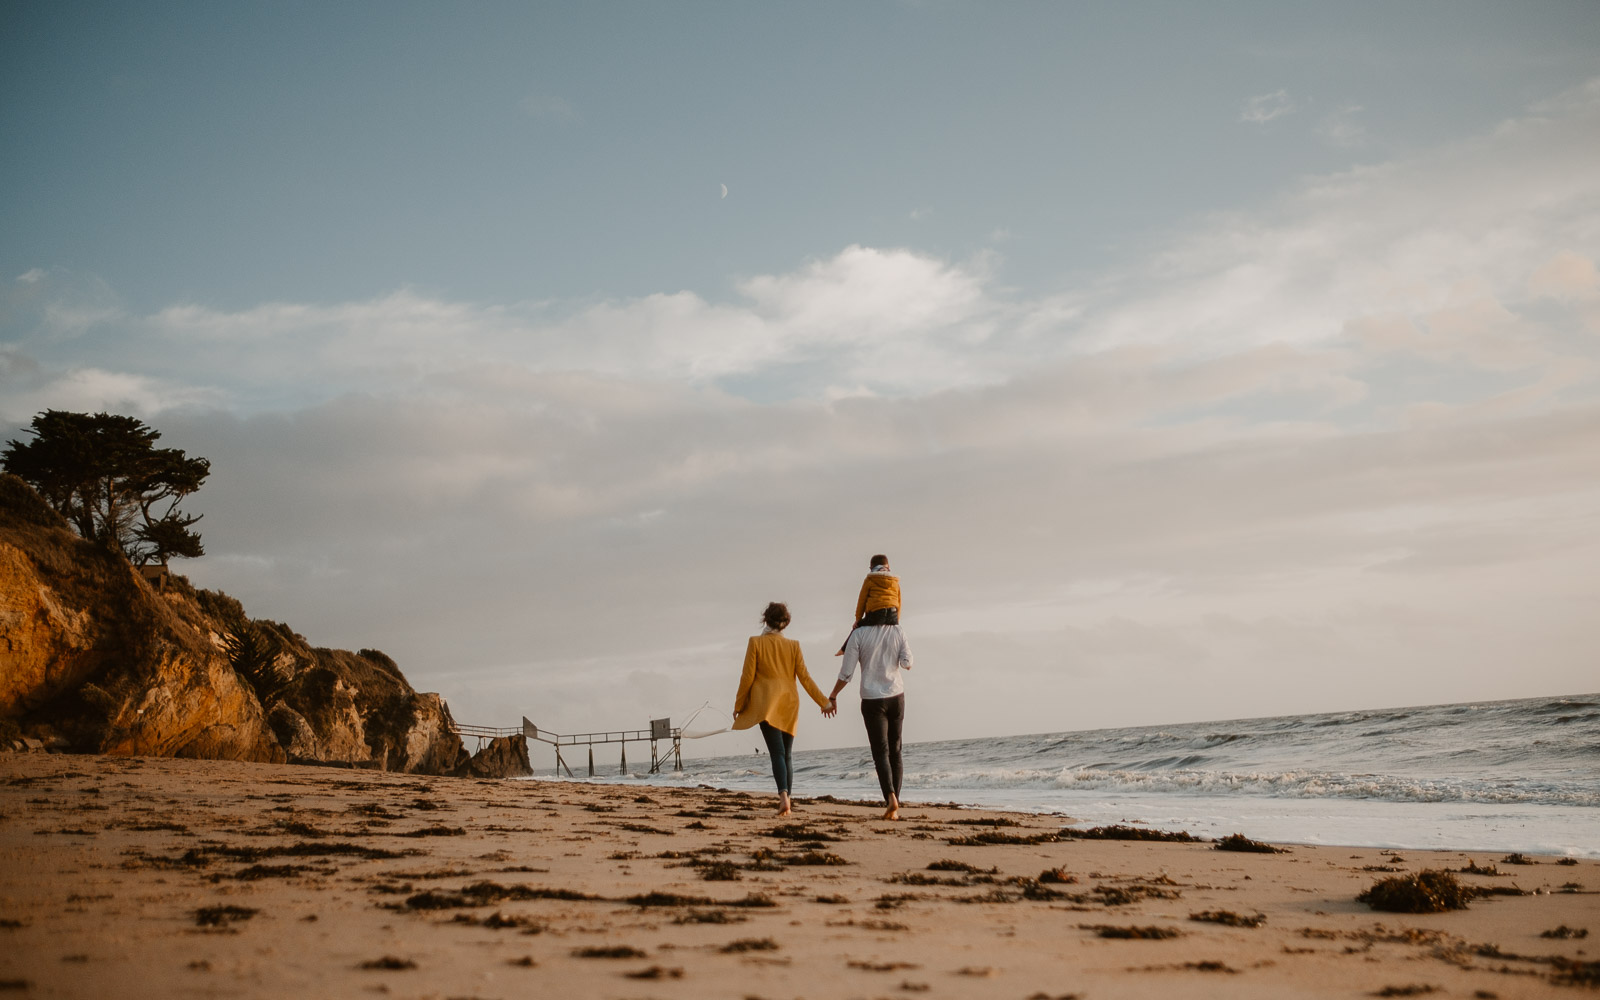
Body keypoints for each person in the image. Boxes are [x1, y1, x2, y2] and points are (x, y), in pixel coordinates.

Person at [732, 601, 835, 817]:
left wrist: (739, 704)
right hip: (789, 704)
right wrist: (824, 702)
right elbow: (805, 678)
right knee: (787, 755)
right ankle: (787, 800)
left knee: (777, 753)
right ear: (785, 623)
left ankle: (783, 798)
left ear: (765, 619)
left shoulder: (755, 642)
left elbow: (747, 677)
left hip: (767, 706)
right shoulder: (794, 645)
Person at [827, 617, 913, 820]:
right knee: (896, 750)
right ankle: (895, 804)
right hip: (896, 696)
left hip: (872, 699)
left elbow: (846, 673)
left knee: (880, 752)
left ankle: (890, 798)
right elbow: (907, 662)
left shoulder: (858, 634)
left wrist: (833, 695)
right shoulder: (897, 630)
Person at [836, 554, 900, 655]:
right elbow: (899, 602)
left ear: (871, 567)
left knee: (857, 628)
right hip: (892, 615)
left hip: (877, 614)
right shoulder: (895, 581)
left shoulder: (870, 579)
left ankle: (844, 649)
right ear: (888, 566)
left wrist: (858, 619)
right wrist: (896, 621)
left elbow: (862, 600)